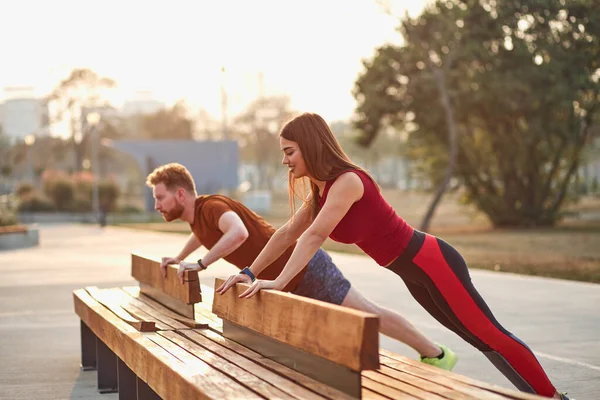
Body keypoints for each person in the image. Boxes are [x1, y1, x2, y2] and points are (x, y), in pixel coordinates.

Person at [216, 113, 568, 400]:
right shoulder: (321, 192)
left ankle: (550, 396)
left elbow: (314, 236)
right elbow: (288, 233)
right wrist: (249, 271)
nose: (284, 160)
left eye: (289, 151)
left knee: (490, 333)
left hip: (432, 262)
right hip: (413, 273)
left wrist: (279, 281)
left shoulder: (349, 182)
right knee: (475, 338)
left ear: (309, 146)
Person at [146, 162, 457, 369]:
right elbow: (203, 237)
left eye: (160, 197)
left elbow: (237, 233)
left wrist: (200, 264)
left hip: (305, 267)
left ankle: (437, 354)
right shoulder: (198, 221)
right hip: (282, 281)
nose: (157, 204)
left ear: (181, 194)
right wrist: (181, 258)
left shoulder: (212, 207)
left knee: (367, 312)